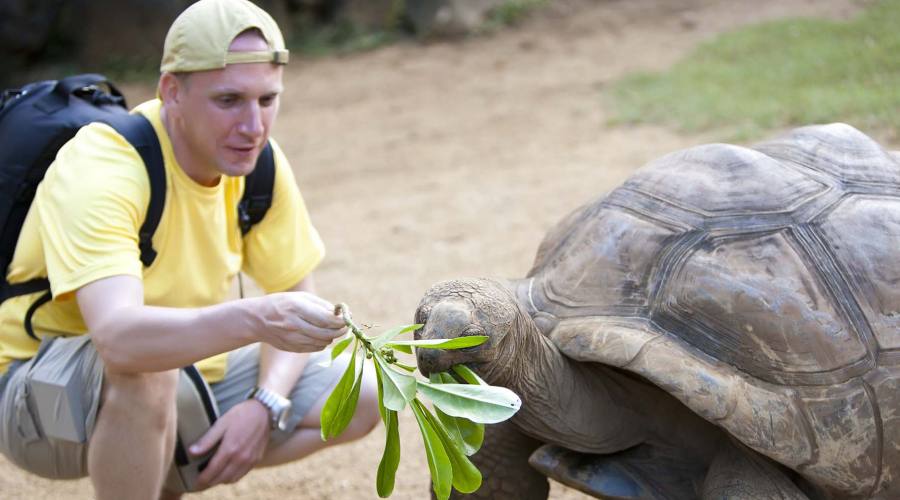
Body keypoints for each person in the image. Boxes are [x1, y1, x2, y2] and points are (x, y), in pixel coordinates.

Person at [0, 0, 380, 498]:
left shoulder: (258, 161)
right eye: (228, 101)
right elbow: (118, 339)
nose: (253, 126)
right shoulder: (104, 165)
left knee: (364, 394)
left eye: (267, 100)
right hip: (35, 392)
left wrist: (265, 405)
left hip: (181, 380)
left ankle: (156, 473)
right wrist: (257, 317)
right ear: (172, 92)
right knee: (148, 371)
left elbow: (294, 288)